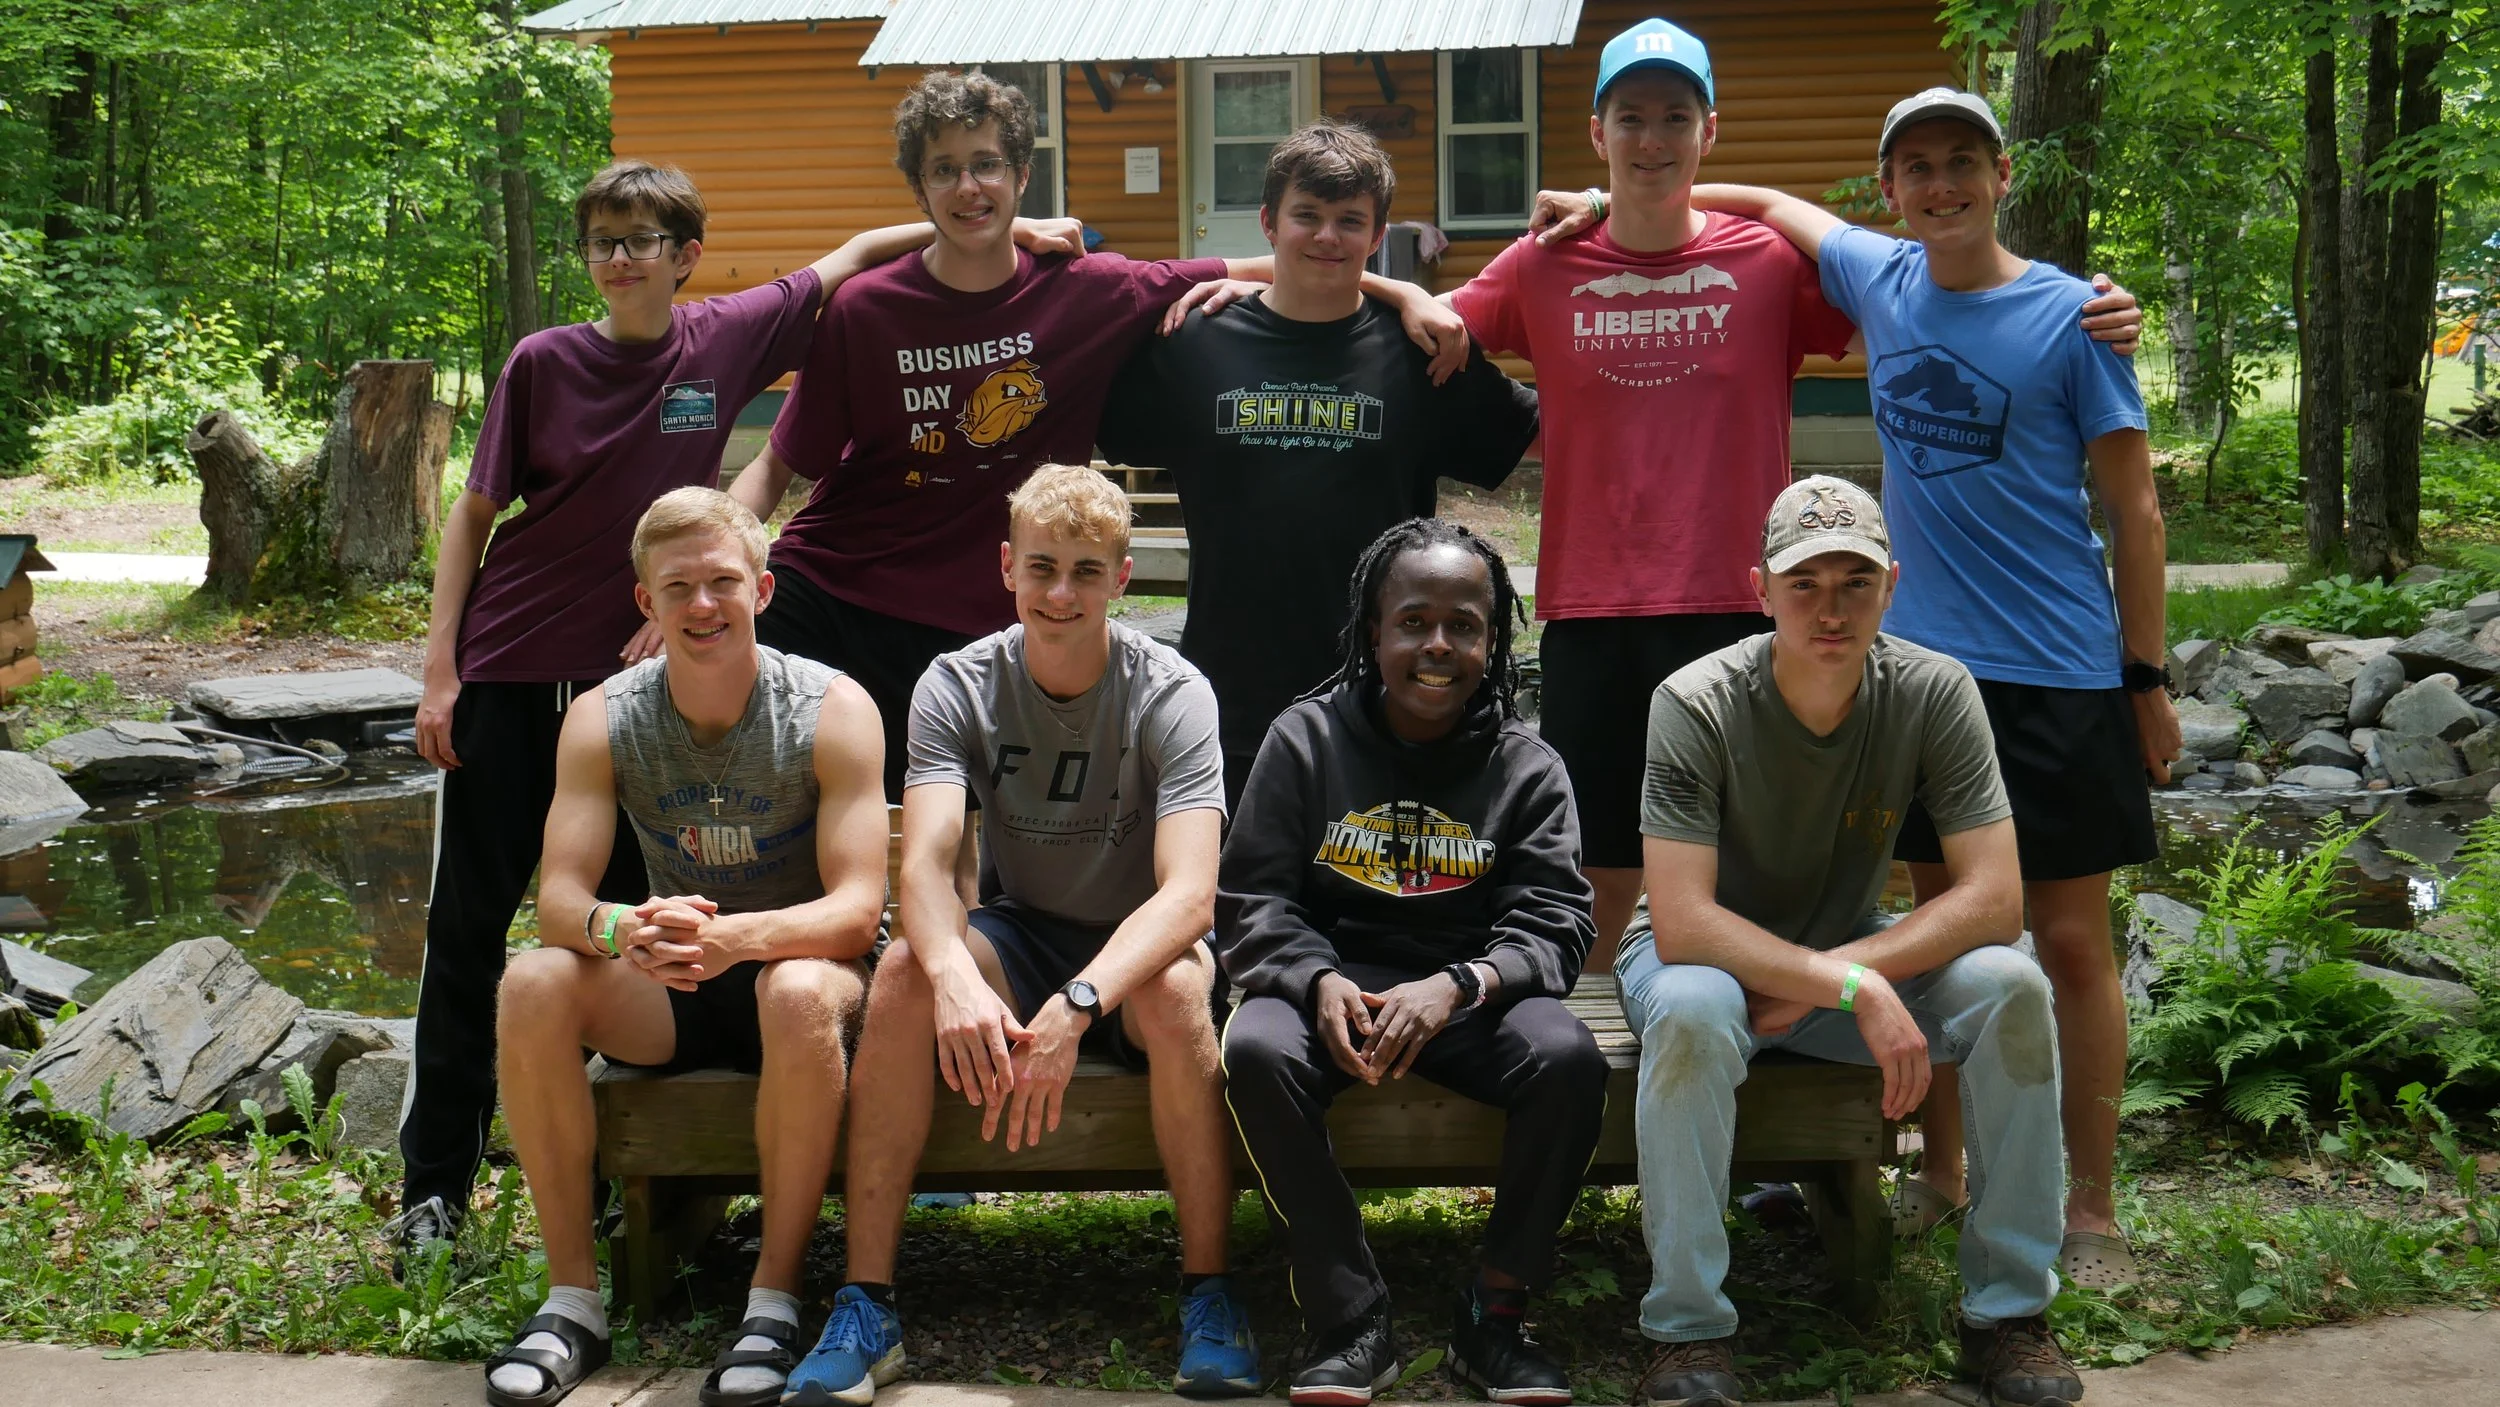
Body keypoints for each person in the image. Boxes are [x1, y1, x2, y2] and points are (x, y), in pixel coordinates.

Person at [398, 157, 1077, 1262]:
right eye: (600, 242)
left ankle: (621, 1176)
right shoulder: (543, 362)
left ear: (684, 256)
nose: (618, 259)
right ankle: (434, 1183)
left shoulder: (724, 337)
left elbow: (856, 256)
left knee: (621, 930)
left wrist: (1015, 225)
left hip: (638, 691)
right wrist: (442, 673)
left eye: (640, 240)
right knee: (470, 930)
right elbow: (472, 517)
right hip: (514, 672)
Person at [1427, 17, 2144, 972]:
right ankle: (1604, 1099)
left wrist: (2088, 305)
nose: (1653, 139)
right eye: (1629, 118)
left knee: (1751, 870)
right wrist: (1242, 282)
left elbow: (1948, 298)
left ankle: (1763, 1077)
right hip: (1591, 607)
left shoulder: (1768, 262)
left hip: (1744, 607)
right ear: (1598, 132)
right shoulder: (1547, 260)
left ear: (1707, 130)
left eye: (1674, 118)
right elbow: (1423, 322)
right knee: (1598, 874)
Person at [1652, 88, 2181, 1286]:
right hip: (1925, 678)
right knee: (1936, 928)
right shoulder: (1882, 279)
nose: (1938, 186)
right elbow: (1774, 206)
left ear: (2001, 175)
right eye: (1914, 170)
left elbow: (2134, 508)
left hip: (2055, 670)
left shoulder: (2071, 318)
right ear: (1888, 191)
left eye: (1959, 164)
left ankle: (2086, 1201)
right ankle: (1938, 1175)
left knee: (2065, 937)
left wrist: (2142, 676)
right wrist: (1616, 198)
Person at [730, 72, 1467, 812]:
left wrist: (1406, 291)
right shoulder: (867, 309)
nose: (968, 186)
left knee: (957, 824)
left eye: (986, 164)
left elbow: (1292, 267)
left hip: (984, 605)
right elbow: (777, 465)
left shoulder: (1090, 291)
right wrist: (713, 567)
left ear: (1022, 175)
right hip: (839, 584)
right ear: (920, 191)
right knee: (758, 754)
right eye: (944, 170)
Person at [786, 465, 1256, 1405]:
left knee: (1169, 990)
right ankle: (866, 1300)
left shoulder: (1173, 690)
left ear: (1123, 577)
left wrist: (1081, 1003)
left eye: (1086, 571)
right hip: (1023, 927)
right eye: (1041, 566)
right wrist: (954, 973)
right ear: (1005, 566)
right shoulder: (957, 683)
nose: (1059, 593)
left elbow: (1191, 894)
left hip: (1134, 939)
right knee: (905, 978)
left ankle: (1211, 1292)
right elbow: (921, 866)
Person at [1615, 475, 2083, 1407]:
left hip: (1838, 945)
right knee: (1701, 1012)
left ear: (1892, 585)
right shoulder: (1694, 699)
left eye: (1855, 583)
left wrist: (1838, 973)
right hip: (1698, 963)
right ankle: (1688, 1332)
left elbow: (1995, 897)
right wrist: (1856, 989)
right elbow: (1682, 917)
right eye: (1805, 584)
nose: (1831, 609)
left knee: (2013, 985)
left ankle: (2008, 1314)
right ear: (1761, 588)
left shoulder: (1934, 689)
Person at [481, 488, 890, 1407]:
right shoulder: (603, 717)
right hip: (677, 984)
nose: (703, 605)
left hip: (805, 976)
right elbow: (557, 899)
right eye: (680, 588)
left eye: (722, 582)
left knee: (791, 991)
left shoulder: (832, 708)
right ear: (646, 604)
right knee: (535, 983)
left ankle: (773, 1300)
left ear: (764, 589)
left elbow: (860, 910)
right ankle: (573, 1300)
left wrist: (732, 938)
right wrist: (623, 929)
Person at [1219, 518, 1604, 1407]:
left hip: (1470, 996)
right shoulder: (1304, 740)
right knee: (1256, 1050)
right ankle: (1349, 1320)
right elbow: (1250, 898)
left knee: (1569, 1059)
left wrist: (1463, 983)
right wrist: (1316, 979)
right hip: (1334, 990)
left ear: (1494, 639)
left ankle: (1496, 1317)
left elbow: (1556, 920)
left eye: (1465, 624)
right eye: (1414, 621)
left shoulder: (1527, 767)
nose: (1439, 645)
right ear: (1373, 633)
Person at [1100, 121, 1540, 806]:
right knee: (1234, 902)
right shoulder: (1193, 343)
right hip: (1230, 696)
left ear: (1377, 235)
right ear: (1269, 223)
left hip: (1382, 695)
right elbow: (1077, 389)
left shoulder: (1422, 353)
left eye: (1349, 221)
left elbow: (1534, 433)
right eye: (1307, 215)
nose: (1327, 236)